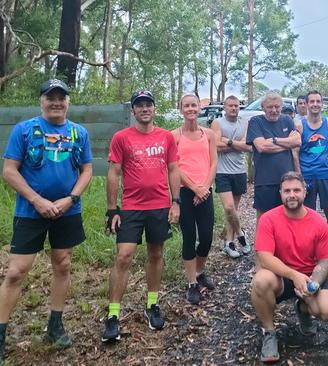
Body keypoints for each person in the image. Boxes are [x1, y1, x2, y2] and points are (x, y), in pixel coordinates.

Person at [0, 79, 93, 360]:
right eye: (50, 97)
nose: (56, 102)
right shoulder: (25, 130)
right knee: (17, 271)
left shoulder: (79, 133)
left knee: (62, 264)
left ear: (67, 102)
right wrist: (37, 200)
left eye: (61, 97)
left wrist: (71, 199)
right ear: (41, 101)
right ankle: (1, 334)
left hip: (68, 211)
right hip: (31, 212)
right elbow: (9, 171)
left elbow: (87, 170)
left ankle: (55, 325)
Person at [102, 90, 181, 342]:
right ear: (133, 111)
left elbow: (172, 168)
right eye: (140, 105)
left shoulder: (166, 137)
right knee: (124, 256)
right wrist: (112, 209)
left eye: (148, 105)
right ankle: (113, 314)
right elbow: (114, 172)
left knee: (155, 253)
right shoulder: (121, 138)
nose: (145, 109)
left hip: (159, 206)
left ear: (154, 109)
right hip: (131, 207)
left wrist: (175, 202)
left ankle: (152, 303)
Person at [250, 172, 328, 363]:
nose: (292, 194)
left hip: (309, 276)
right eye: (287, 191)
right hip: (281, 277)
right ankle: (269, 332)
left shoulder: (318, 222)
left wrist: (313, 283)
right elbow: (264, 257)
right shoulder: (268, 219)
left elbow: (324, 260)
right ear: (280, 193)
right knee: (260, 280)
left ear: (305, 192)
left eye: (296, 190)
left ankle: (303, 308)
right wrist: (293, 275)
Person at [172, 93, 218, 305]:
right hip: (185, 191)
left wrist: (205, 188)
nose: (191, 109)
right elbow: (173, 168)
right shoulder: (175, 136)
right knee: (189, 236)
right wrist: (194, 188)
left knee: (207, 237)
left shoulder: (208, 134)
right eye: (186, 106)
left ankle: (199, 271)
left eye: (194, 105)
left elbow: (213, 162)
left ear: (199, 108)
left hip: (205, 190)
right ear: (181, 109)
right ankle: (191, 283)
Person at [295, 90, 328, 246]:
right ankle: (309, 245)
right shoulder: (300, 125)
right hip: (307, 175)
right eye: (312, 101)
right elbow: (294, 152)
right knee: (307, 213)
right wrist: (298, 177)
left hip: (326, 174)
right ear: (307, 104)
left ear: (322, 104)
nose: (315, 104)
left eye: (318, 101)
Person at [246, 91, 301, 221]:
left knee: (288, 217)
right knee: (264, 218)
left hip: (287, 180)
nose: (274, 110)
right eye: (270, 107)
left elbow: (297, 141)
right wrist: (287, 143)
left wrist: (275, 140)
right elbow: (261, 147)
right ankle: (261, 242)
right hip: (265, 181)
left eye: (277, 106)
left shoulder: (287, 120)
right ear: (263, 107)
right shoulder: (255, 122)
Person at [213, 95, 253, 258]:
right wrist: (238, 144)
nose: (233, 108)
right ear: (225, 107)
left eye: (236, 106)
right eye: (230, 106)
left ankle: (229, 243)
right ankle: (241, 235)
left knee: (233, 210)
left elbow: (248, 147)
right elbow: (216, 146)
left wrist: (228, 141)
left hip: (239, 171)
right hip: (222, 171)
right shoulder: (218, 123)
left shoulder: (244, 123)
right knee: (229, 208)